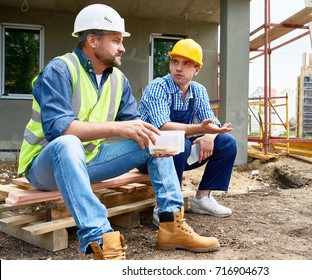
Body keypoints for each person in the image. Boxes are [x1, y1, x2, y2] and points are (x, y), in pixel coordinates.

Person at [17, 4, 220, 260]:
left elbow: (138, 127)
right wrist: (117, 127)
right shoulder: (60, 70)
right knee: (68, 143)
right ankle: (100, 240)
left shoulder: (118, 80)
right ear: (92, 40)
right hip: (46, 165)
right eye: (116, 40)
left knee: (154, 139)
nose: (122, 47)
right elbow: (62, 129)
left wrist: (150, 134)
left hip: (92, 161)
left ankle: (171, 224)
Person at [138, 38, 237, 224]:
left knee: (226, 143)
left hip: (178, 153)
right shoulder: (158, 87)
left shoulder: (198, 91)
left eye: (185, 64)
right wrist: (200, 129)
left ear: (197, 69)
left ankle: (202, 198)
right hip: (148, 153)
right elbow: (162, 126)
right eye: (175, 62)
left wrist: (209, 135)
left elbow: (212, 121)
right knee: (177, 141)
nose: (178, 68)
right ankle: (165, 205)